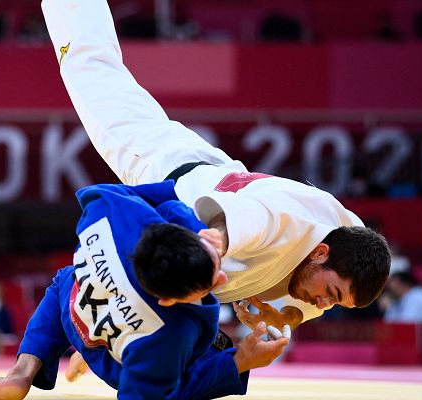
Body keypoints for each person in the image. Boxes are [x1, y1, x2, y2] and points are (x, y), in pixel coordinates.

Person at [42, 0, 391, 332]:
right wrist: (215, 245)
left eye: (334, 303)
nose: (324, 304)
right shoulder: (279, 222)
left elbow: (355, 253)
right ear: (319, 253)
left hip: (208, 166)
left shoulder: (345, 237)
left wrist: (289, 317)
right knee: (91, 70)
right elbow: (246, 219)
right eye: (330, 295)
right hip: (159, 163)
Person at [0, 181, 289, 400]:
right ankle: (104, 353)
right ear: (167, 301)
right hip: (116, 352)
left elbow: (156, 195)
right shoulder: (171, 335)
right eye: (211, 282)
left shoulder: (110, 212)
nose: (223, 280)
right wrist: (241, 361)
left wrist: (185, 219)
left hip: (77, 315)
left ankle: (21, 374)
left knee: (65, 278)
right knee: (201, 360)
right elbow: (159, 394)